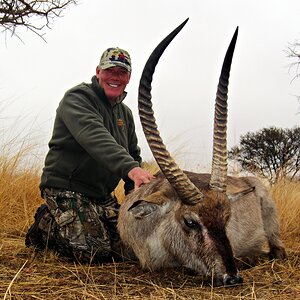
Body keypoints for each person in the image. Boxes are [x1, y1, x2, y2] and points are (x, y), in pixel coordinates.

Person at [25, 47, 154, 262]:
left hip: (101, 196)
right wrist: (131, 169)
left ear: (129, 77)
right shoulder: (78, 98)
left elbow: (133, 155)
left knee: (131, 248)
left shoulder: (125, 114)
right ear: (98, 72)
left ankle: (95, 219)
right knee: (93, 252)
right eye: (109, 71)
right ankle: (46, 224)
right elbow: (94, 136)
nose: (115, 77)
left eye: (121, 73)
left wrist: (135, 198)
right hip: (67, 188)